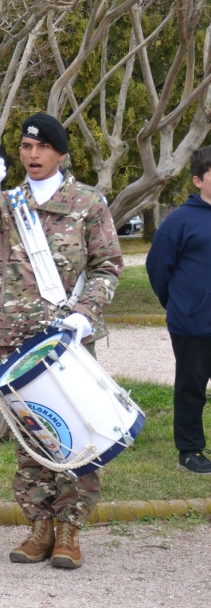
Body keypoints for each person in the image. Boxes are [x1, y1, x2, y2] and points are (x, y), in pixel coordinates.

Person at [0, 113, 123, 569]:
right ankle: (39, 526)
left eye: (42, 148)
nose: (32, 156)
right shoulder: (7, 204)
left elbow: (107, 266)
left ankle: (69, 530)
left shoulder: (87, 202)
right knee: (33, 433)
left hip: (67, 340)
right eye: (26, 149)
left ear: (61, 154)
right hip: (17, 338)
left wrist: (85, 316)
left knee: (75, 432)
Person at [146, 146, 211, 474]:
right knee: (192, 389)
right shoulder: (180, 221)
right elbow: (158, 267)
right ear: (198, 179)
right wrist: (178, 304)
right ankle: (190, 452)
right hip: (193, 324)